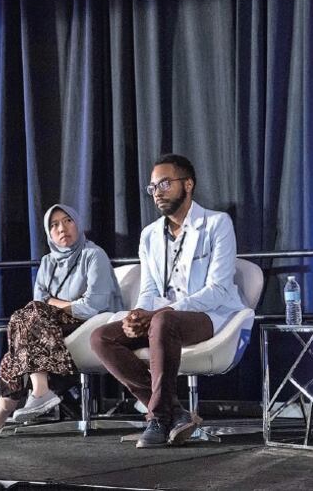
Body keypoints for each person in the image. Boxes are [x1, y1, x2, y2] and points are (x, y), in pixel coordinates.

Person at [90, 154, 244, 448]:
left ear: (188, 185)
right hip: (162, 317)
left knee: (163, 320)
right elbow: (148, 288)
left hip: (210, 315)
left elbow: (218, 290)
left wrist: (160, 312)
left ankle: (158, 418)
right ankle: (174, 411)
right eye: (152, 187)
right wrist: (138, 313)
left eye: (164, 183)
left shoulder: (216, 224)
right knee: (101, 338)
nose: (157, 192)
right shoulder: (149, 235)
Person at [0, 204, 121, 438]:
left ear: (77, 223)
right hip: (54, 325)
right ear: (48, 232)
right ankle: (3, 412)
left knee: (28, 315)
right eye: (54, 225)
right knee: (20, 330)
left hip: (91, 322)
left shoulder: (93, 255)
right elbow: (39, 302)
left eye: (67, 221)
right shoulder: (47, 262)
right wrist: (52, 304)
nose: (62, 228)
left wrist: (54, 302)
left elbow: (94, 304)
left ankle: (19, 405)